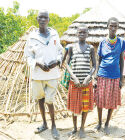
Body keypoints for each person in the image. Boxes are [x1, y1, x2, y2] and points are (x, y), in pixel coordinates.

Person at [24, 10, 63, 139]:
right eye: (40, 17)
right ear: (37, 19)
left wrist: (57, 61)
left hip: (52, 74)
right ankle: (44, 123)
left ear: (48, 20)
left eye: (45, 17)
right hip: (37, 75)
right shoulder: (31, 36)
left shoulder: (54, 34)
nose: (42, 19)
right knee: (40, 99)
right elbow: (28, 56)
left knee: (50, 100)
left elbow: (60, 51)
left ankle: (54, 126)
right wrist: (38, 63)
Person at [94, 17, 125, 135]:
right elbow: (98, 60)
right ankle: (99, 123)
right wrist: (96, 76)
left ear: (118, 27)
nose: (113, 28)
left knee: (112, 101)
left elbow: (121, 60)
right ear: (107, 26)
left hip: (115, 76)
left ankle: (107, 123)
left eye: (115, 26)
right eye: (111, 25)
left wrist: (121, 78)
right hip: (102, 75)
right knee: (100, 100)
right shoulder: (102, 42)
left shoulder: (121, 42)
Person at [66, 24, 96, 138]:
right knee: (74, 106)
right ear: (76, 34)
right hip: (75, 83)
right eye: (80, 32)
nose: (82, 34)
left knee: (85, 106)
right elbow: (67, 64)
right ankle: (74, 128)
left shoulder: (91, 48)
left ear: (88, 34)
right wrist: (73, 76)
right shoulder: (71, 47)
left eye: (84, 32)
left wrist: (89, 77)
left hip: (86, 84)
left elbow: (94, 65)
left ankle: (82, 128)